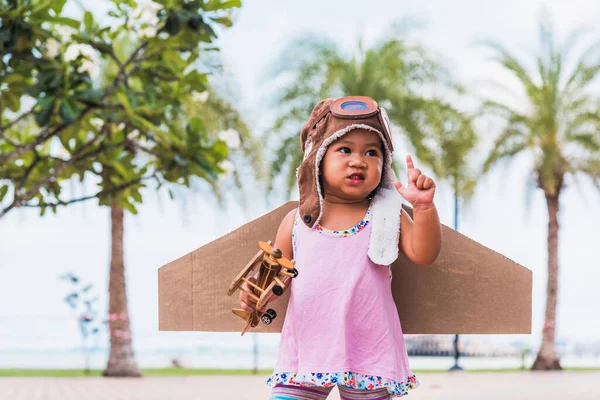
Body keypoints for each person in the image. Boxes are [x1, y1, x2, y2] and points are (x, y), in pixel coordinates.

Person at [240, 96, 442, 399]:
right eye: (344, 149)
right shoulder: (297, 221)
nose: (358, 160)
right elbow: (273, 272)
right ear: (317, 159)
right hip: (306, 350)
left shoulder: (386, 214)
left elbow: (423, 254)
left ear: (384, 165)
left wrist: (423, 208)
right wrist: (256, 297)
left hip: (369, 350)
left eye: (372, 152)